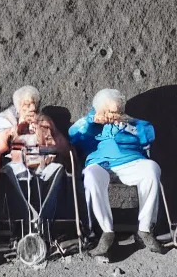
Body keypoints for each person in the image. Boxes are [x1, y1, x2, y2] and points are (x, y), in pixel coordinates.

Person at [69, 89, 162, 256]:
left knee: (152, 169)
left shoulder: (130, 123)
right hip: (101, 163)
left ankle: (145, 230)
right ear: (100, 110)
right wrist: (92, 120)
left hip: (130, 161)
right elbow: (73, 134)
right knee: (90, 176)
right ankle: (105, 232)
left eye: (118, 111)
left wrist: (128, 122)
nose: (115, 115)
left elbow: (149, 133)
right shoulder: (91, 123)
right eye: (111, 112)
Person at [0, 86, 71, 224]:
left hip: (43, 162)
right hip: (16, 162)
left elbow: (60, 145)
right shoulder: (5, 119)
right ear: (18, 106)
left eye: (34, 104)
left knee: (57, 169)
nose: (32, 108)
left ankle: (44, 221)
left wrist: (43, 130)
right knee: (16, 172)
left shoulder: (43, 119)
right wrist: (15, 130)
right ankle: (26, 221)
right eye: (27, 104)